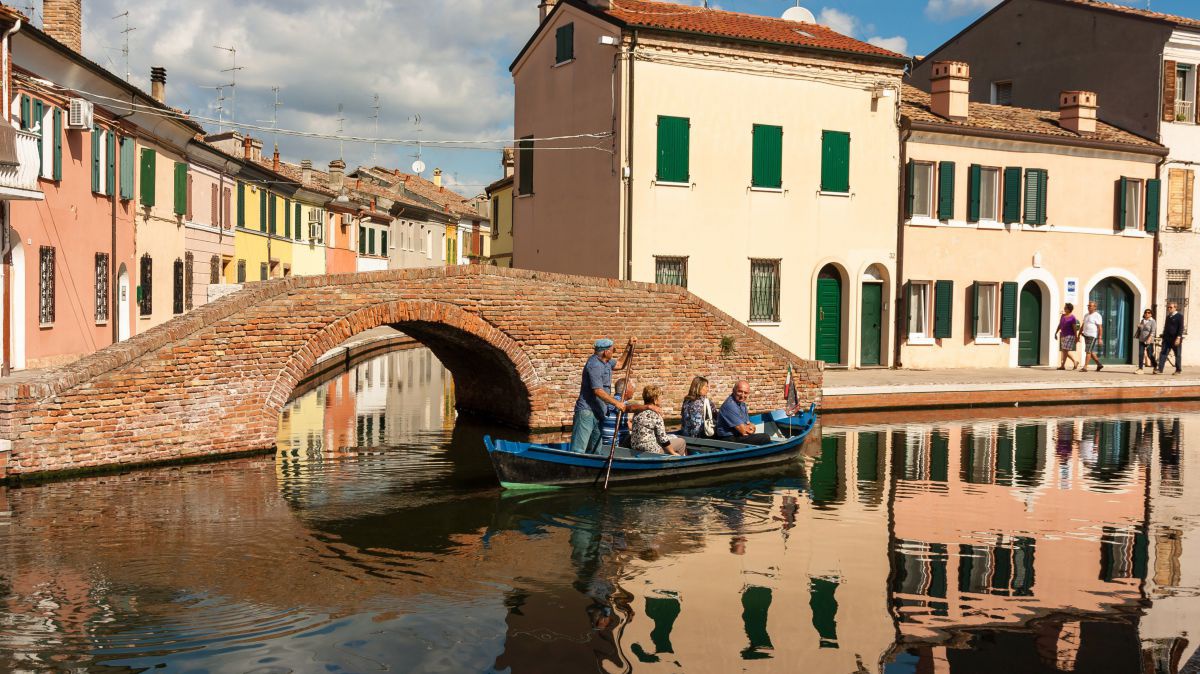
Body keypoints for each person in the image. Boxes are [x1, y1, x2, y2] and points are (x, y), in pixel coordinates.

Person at [571, 337, 655, 454]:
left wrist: (629, 347)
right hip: (587, 412)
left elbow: (621, 364)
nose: (613, 352)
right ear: (606, 352)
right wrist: (617, 403)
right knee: (578, 450)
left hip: (598, 412)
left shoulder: (607, 362)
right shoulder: (594, 365)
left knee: (595, 449)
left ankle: (593, 468)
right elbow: (598, 390)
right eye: (613, 350)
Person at [630, 385, 686, 455]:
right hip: (651, 451)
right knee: (681, 442)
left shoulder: (637, 412)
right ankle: (678, 463)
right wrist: (673, 453)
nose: (662, 399)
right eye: (660, 397)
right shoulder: (656, 414)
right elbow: (663, 439)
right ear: (655, 400)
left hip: (635, 448)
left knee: (672, 437)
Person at [714, 381, 773, 445]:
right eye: (740, 391)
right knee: (765, 437)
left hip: (738, 435)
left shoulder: (742, 404)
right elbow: (744, 432)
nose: (742, 395)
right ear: (733, 390)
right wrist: (750, 427)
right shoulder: (730, 405)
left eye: (745, 393)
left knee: (763, 437)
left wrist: (750, 427)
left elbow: (748, 423)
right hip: (728, 439)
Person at [1156, 302, 1185, 375]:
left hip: (1175, 339)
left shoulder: (1179, 316)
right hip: (1167, 339)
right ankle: (1160, 370)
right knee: (1163, 354)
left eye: (1170, 307)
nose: (1169, 308)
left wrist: (1178, 338)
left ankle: (1178, 370)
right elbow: (1166, 327)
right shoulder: (1168, 317)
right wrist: (1163, 336)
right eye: (1168, 307)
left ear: (1175, 308)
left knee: (1177, 354)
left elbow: (1181, 328)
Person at [1080, 301, 1104, 372]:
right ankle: (1099, 364)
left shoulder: (1097, 315)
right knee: (1090, 351)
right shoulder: (1086, 315)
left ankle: (1085, 367)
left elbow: (1100, 327)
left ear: (1095, 307)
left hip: (1092, 335)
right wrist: (1079, 334)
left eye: (1090, 306)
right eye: (1088, 306)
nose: (1089, 307)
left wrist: (1100, 338)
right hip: (1085, 335)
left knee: (1088, 351)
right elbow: (1083, 324)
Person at [1055, 303, 1080, 371]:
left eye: (1066, 308)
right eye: (1064, 307)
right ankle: (1074, 362)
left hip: (1070, 335)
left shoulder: (1072, 318)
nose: (1064, 309)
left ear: (1069, 309)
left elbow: (1074, 328)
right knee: (1064, 350)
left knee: (1065, 350)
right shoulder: (1063, 316)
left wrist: (1076, 337)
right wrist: (1056, 332)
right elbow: (1060, 325)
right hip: (1063, 335)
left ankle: (1063, 365)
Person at [1136, 309, 1158, 374]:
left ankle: (1155, 366)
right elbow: (1142, 329)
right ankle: (1140, 368)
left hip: (1149, 340)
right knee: (1140, 354)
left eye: (1149, 313)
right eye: (1146, 312)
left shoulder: (1153, 321)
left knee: (1150, 354)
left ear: (1151, 314)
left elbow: (1153, 331)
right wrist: (1139, 326)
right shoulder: (1142, 321)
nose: (1147, 314)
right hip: (1142, 340)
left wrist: (1149, 339)